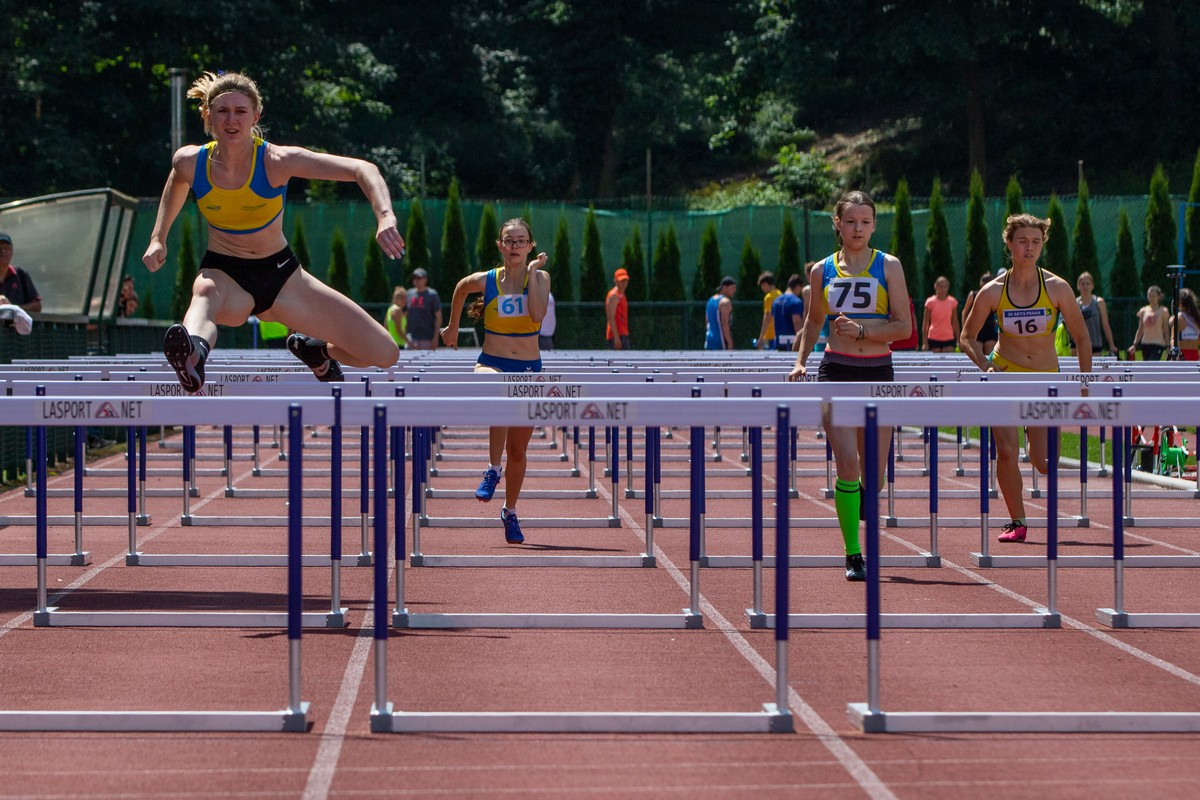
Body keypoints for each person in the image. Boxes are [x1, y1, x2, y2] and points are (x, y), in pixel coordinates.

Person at [142, 71, 402, 393]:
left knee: (385, 353)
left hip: (283, 278)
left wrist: (385, 216)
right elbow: (177, 181)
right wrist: (158, 238)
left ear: (255, 116)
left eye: (240, 111)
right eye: (222, 111)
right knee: (205, 293)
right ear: (208, 115)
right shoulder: (190, 162)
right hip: (225, 274)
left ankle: (317, 351)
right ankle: (193, 354)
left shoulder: (277, 161)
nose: (231, 120)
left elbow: (364, 169)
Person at [787, 191, 912, 581]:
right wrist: (801, 361)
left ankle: (859, 500)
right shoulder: (821, 270)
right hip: (836, 369)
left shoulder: (888, 266)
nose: (858, 229)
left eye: (865, 222)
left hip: (878, 370)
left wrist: (862, 331)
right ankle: (853, 554)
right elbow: (814, 321)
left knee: (873, 476)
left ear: (874, 226)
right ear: (837, 224)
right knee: (847, 464)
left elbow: (904, 327)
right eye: (851, 221)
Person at [960, 213, 1092, 544]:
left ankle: (1035, 441)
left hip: (1045, 381)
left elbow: (1082, 337)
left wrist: (1084, 384)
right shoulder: (993, 291)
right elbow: (966, 337)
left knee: (1044, 462)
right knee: (1006, 451)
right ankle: (1017, 522)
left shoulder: (1057, 287)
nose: (1029, 248)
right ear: (1009, 243)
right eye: (1022, 241)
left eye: (1036, 242)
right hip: (1005, 376)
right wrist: (984, 365)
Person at [439, 218, 550, 545]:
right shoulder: (487, 280)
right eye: (509, 241)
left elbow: (537, 315)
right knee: (498, 390)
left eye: (521, 241)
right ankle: (492, 468)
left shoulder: (540, 278)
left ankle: (510, 511)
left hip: (528, 368)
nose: (514, 246)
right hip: (492, 363)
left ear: (530, 246)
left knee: (518, 450)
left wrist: (532, 271)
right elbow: (461, 287)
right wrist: (452, 326)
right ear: (500, 246)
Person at [1070, 271, 1117, 357]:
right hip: (1078, 344)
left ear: (1092, 286)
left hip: (1095, 343)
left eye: (1088, 283)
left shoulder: (1099, 302)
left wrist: (1111, 344)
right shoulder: (1075, 303)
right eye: (1082, 284)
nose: (1085, 286)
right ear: (1078, 286)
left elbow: (1105, 324)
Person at [0, 232, 43, 313]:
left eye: (7, 248)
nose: (3, 251)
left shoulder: (21, 275)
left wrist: (14, 309)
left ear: (12, 251)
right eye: (0, 248)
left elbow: (37, 306)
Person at [960, 271, 998, 356]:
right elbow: (964, 312)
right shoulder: (973, 295)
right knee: (977, 354)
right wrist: (964, 329)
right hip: (976, 328)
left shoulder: (994, 296)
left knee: (990, 353)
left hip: (989, 328)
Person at [1129, 284, 1169, 361]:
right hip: (1146, 343)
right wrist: (1135, 344)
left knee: (1153, 361)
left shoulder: (1163, 311)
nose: (1151, 298)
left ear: (1158, 297)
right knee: (1146, 364)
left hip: (1158, 343)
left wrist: (1168, 345)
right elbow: (1140, 329)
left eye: (1154, 296)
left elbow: (1166, 330)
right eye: (1149, 296)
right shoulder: (1143, 311)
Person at [922, 275, 959, 352]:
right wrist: (925, 342)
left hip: (948, 337)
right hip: (934, 337)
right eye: (941, 286)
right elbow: (926, 323)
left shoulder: (952, 302)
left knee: (949, 358)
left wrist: (958, 340)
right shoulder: (930, 302)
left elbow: (955, 322)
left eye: (945, 287)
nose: (943, 289)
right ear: (936, 287)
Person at [407, 268, 442, 350]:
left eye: (419, 278)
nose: (416, 280)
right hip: (412, 338)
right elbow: (406, 315)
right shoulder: (409, 294)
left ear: (425, 279)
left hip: (428, 339)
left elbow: (438, 317)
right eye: (414, 278)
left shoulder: (432, 295)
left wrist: (435, 338)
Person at [770, 273, 807, 351]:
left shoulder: (775, 302)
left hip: (778, 343)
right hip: (792, 344)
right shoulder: (796, 302)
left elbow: (773, 322)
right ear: (798, 286)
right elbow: (797, 325)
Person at [704, 276, 737, 350]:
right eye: (732, 288)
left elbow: (707, 322)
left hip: (709, 340)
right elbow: (725, 324)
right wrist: (729, 342)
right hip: (721, 342)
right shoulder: (725, 302)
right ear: (724, 287)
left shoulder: (710, 300)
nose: (734, 290)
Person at [755, 272, 782, 349]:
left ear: (766, 284)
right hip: (779, 332)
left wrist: (761, 337)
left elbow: (767, 318)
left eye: (762, 286)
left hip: (770, 334)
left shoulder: (768, 297)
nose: (762, 288)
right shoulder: (780, 294)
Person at [1172, 286, 1200, 361]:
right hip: (1184, 355)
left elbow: (1173, 339)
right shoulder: (1181, 317)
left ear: (1180, 303)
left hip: (1192, 355)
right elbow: (1174, 339)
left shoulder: (1194, 317)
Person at [605, 268, 630, 350]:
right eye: (621, 280)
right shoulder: (614, 296)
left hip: (623, 333)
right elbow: (610, 317)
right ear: (615, 281)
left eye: (625, 280)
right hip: (617, 336)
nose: (624, 283)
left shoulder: (621, 294)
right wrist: (616, 337)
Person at [384, 285, 410, 349]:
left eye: (405, 298)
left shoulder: (390, 309)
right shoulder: (398, 310)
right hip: (398, 344)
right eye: (401, 298)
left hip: (391, 343)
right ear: (395, 298)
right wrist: (410, 343)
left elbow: (386, 327)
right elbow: (399, 330)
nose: (404, 300)